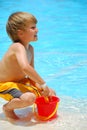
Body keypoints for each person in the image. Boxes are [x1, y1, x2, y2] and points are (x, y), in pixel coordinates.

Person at [0, 12, 56, 121]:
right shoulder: (17, 47)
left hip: (20, 81)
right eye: (33, 27)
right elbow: (25, 68)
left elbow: (31, 73)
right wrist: (43, 84)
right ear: (20, 33)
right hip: (3, 85)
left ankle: (43, 114)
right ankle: (7, 108)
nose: (37, 30)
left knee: (51, 92)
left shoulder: (30, 49)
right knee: (29, 98)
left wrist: (43, 88)